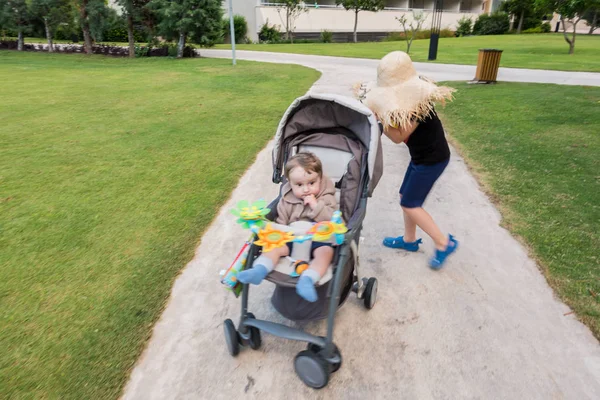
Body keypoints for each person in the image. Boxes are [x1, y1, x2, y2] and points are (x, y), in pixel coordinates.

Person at [356, 51, 458, 269]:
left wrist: (378, 119)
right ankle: (409, 240)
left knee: (410, 204)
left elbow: (398, 137)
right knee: (406, 195)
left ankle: (443, 243)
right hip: (422, 157)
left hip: (432, 160)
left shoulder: (417, 106)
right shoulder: (407, 102)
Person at [237, 152, 337, 301]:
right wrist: (276, 234)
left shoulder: (326, 197)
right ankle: (259, 270)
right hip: (291, 239)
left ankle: (307, 279)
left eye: (311, 183)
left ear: (320, 180)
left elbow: (333, 220)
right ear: (290, 184)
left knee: (326, 253)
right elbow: (281, 223)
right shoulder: (286, 200)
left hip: (317, 239)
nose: (306, 189)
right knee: (273, 247)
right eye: (299, 185)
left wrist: (316, 206)